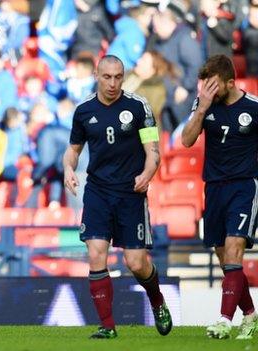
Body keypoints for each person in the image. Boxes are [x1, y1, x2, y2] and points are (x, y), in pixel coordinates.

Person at [62, 55, 172, 339]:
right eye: (107, 77)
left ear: (123, 77)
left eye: (118, 77)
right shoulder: (84, 110)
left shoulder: (138, 106)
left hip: (130, 193)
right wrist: (67, 169)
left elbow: (153, 151)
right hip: (98, 192)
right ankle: (107, 326)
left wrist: (148, 173)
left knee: (136, 263)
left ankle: (157, 300)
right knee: (96, 254)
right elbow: (73, 149)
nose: (113, 83)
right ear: (97, 75)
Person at [181, 54, 258, 340]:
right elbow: (186, 141)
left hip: (244, 186)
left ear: (230, 82)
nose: (209, 91)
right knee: (226, 258)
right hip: (213, 188)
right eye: (206, 85)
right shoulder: (204, 103)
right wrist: (201, 109)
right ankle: (250, 316)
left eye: (214, 86)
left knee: (235, 247)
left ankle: (224, 320)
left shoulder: (253, 108)